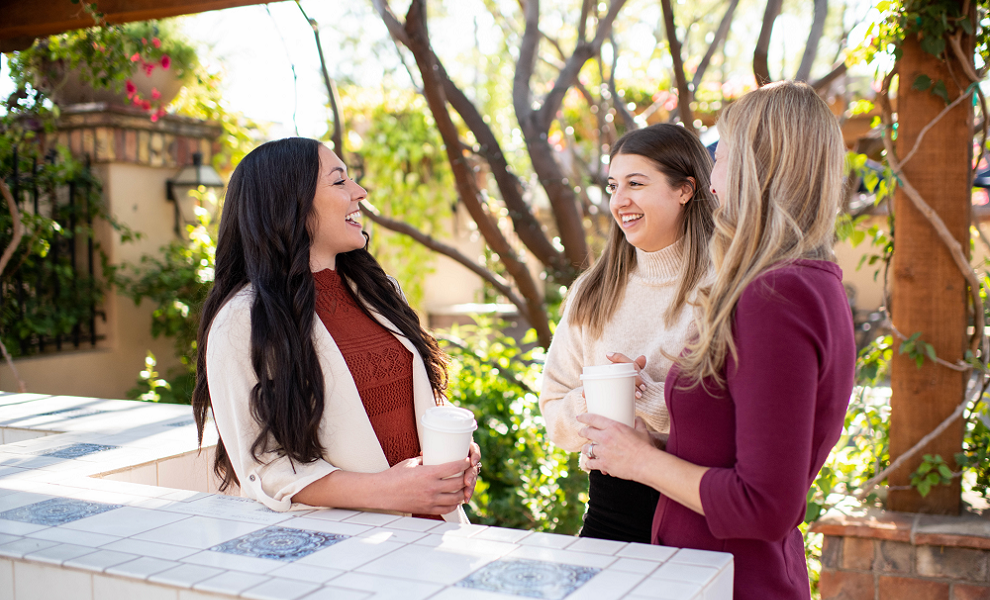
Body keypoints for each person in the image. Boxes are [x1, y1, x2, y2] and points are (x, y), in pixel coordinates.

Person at [576, 81, 856, 598]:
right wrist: (648, 443)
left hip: (735, 582)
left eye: (720, 160)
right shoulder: (802, 281)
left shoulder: (777, 294)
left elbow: (765, 504)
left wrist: (641, 462)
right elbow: (739, 452)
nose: (712, 184)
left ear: (758, 169)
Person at [191, 137, 479, 521]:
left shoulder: (381, 292)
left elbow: (408, 398)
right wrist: (390, 491)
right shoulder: (242, 319)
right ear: (289, 200)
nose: (359, 192)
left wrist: (453, 443)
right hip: (345, 548)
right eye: (339, 181)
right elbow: (262, 468)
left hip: (432, 530)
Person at [539, 123, 717, 543]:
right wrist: (600, 399)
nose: (619, 201)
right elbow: (553, 409)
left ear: (685, 190)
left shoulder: (724, 283)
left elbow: (734, 413)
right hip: (611, 509)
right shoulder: (594, 289)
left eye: (635, 183)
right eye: (613, 186)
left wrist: (649, 397)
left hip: (697, 505)